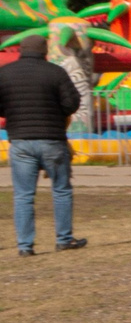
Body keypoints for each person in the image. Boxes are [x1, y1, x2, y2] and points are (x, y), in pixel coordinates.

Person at [1, 30, 85, 256]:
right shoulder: (56, 72)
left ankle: (25, 246)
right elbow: (72, 103)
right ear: (44, 51)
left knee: (23, 195)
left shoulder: (5, 73)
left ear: (21, 51)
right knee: (61, 190)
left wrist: (11, 111)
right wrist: (55, 111)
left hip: (19, 141)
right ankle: (64, 239)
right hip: (52, 140)